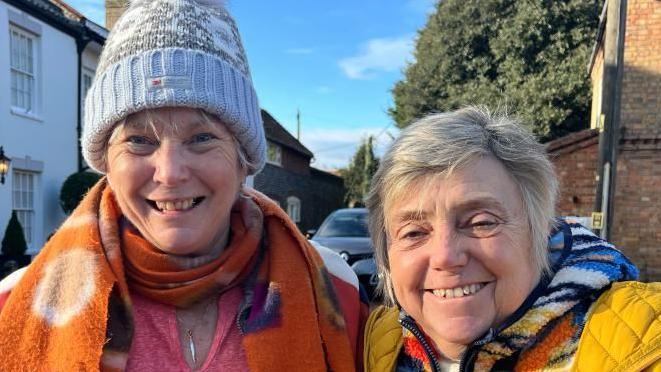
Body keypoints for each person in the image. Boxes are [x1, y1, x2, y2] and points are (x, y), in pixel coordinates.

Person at [0, 0, 366, 370]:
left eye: (202, 138)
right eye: (139, 140)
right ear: (106, 162)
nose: (170, 172)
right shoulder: (14, 305)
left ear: (244, 161)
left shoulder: (335, 293)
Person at [363, 106, 661, 371]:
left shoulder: (645, 340)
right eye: (414, 232)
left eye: (481, 222)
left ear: (542, 230)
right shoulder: (375, 343)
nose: (445, 257)